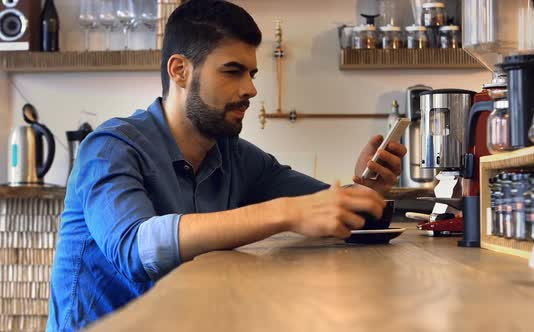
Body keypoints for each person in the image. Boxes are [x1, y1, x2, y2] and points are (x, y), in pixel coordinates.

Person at [47, 0, 407, 330]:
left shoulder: (235, 155)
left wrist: (366, 190)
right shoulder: (110, 148)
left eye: (252, 74)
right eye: (233, 71)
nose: (250, 89)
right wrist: (284, 212)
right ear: (180, 71)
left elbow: (322, 209)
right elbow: (135, 249)